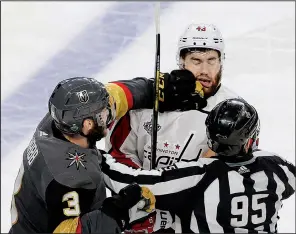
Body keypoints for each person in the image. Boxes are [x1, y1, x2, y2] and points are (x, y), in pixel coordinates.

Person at [104, 23, 241, 231]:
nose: (205, 70)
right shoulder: (149, 101)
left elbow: (226, 176)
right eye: (196, 61)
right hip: (141, 216)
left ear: (221, 62)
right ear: (181, 62)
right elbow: (119, 154)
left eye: (212, 60)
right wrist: (142, 198)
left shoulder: (234, 112)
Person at [101, 98, 296, 233]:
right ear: (251, 140)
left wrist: (99, 158)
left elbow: (128, 181)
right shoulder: (279, 168)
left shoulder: (198, 174)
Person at [9, 77, 157, 233]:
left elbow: (111, 98)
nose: (108, 114)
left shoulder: (57, 121)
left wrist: (153, 88)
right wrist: (119, 211)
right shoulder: (69, 178)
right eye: (103, 114)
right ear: (88, 125)